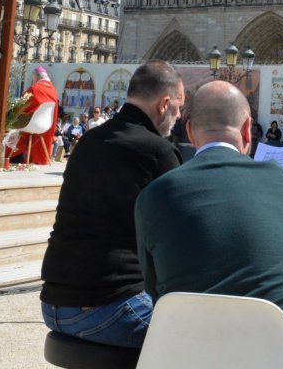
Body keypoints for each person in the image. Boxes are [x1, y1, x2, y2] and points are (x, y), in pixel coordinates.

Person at [135, 80, 283, 369]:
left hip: (189, 360)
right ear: (247, 130)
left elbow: (155, 290)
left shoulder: (152, 196)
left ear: (189, 131)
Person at [40, 60, 185, 348]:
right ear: (164, 104)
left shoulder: (89, 141)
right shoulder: (159, 152)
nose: (178, 116)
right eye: (178, 108)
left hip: (53, 303)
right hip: (107, 307)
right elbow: (179, 235)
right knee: (202, 340)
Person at [8, 67, 59, 164]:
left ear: (36, 77)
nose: (33, 81)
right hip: (45, 126)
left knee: (8, 122)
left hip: (30, 124)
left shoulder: (35, 89)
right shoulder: (53, 91)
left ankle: (10, 154)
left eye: (33, 78)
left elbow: (21, 106)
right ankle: (37, 158)